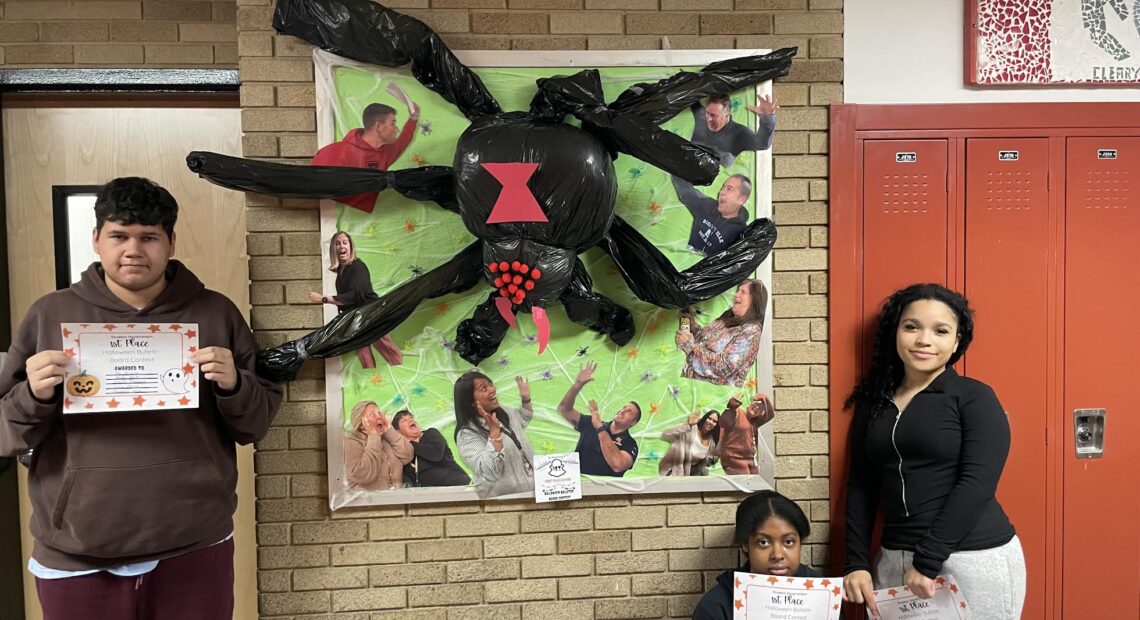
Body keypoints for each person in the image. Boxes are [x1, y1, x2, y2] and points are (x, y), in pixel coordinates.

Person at [0, 177, 283, 620]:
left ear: (170, 242)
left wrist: (234, 386)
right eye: (119, 235)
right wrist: (32, 395)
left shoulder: (215, 312)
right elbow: (6, 432)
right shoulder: (50, 314)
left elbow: (255, 424)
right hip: (78, 552)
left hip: (194, 542)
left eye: (149, 237)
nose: (133, 249)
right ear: (96, 239)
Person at [842, 283, 1025, 619]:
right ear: (895, 332)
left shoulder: (975, 398)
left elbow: (978, 483)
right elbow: (861, 486)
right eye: (911, 327)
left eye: (940, 331)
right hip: (895, 559)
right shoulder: (874, 404)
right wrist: (856, 562)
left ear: (956, 342)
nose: (924, 339)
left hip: (971, 558)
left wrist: (927, 561)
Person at [692, 490, 820, 619]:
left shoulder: (822, 593)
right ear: (745, 545)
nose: (777, 554)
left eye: (788, 542)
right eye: (763, 542)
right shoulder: (716, 607)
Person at [309, 231, 403, 368]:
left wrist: (323, 299)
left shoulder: (357, 266)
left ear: (351, 247)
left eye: (345, 243)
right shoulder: (342, 269)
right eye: (337, 243)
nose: (341, 246)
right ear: (333, 249)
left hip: (371, 314)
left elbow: (355, 295)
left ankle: (400, 373)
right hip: (357, 317)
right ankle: (371, 379)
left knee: (388, 350)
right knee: (363, 353)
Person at [310, 99, 420, 213]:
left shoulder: (385, 152)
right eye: (392, 123)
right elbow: (314, 183)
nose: (397, 129)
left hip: (367, 219)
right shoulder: (333, 152)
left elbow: (403, 140)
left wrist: (414, 117)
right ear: (378, 126)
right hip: (339, 214)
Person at [453, 371, 535, 497]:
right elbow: (488, 472)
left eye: (490, 384)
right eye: (484, 388)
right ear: (470, 401)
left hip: (530, 494)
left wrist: (526, 399)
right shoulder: (466, 434)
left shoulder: (503, 412)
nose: (492, 390)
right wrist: (494, 435)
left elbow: (522, 419)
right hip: (500, 504)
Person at [677, 279, 768, 387]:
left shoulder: (751, 332)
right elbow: (703, 341)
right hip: (692, 389)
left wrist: (689, 346)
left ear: (755, 300)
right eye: (738, 291)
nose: (736, 295)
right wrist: (691, 324)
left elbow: (724, 367)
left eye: (743, 292)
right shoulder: (727, 320)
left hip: (711, 396)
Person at [557, 362, 641, 477]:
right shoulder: (591, 423)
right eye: (623, 408)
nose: (622, 411)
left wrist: (599, 428)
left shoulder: (630, 444)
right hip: (576, 487)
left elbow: (617, 465)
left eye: (628, 412)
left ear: (633, 422)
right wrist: (578, 384)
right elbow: (564, 409)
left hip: (606, 492)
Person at [671, 173, 752, 256]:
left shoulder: (739, 234)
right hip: (688, 255)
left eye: (729, 189)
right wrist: (674, 165)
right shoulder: (707, 206)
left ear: (741, 199)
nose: (722, 192)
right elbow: (685, 191)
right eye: (722, 188)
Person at [690, 93, 779, 167]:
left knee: (727, 159)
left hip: (712, 176)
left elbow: (762, 144)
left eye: (714, 115)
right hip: (688, 165)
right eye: (707, 113)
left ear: (726, 115)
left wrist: (768, 118)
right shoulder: (701, 116)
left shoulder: (739, 133)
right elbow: (691, 97)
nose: (708, 119)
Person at [343, 401, 413, 491]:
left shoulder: (387, 438)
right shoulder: (351, 443)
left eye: (379, 413)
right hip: (369, 502)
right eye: (373, 415)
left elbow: (407, 456)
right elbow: (361, 475)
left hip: (396, 499)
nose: (379, 416)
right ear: (361, 424)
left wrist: (390, 431)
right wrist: (373, 437)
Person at [392, 409, 471, 487]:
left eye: (411, 418)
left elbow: (436, 454)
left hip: (459, 487)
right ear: (398, 432)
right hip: (431, 496)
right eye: (404, 420)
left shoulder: (431, 433)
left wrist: (410, 444)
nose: (410, 420)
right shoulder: (403, 454)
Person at [718, 393, 775, 475]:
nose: (756, 408)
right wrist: (730, 408)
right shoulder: (738, 412)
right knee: (745, 482)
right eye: (756, 404)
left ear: (761, 414)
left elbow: (771, 414)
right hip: (734, 458)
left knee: (756, 482)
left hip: (749, 459)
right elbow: (723, 423)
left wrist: (764, 399)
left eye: (760, 408)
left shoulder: (754, 422)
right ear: (751, 402)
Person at [658, 410, 720, 477]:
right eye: (709, 418)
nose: (711, 422)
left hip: (696, 473)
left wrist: (718, 454)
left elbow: (710, 462)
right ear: (704, 418)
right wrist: (688, 425)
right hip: (677, 471)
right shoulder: (690, 429)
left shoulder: (711, 441)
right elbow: (665, 435)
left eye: (714, 421)